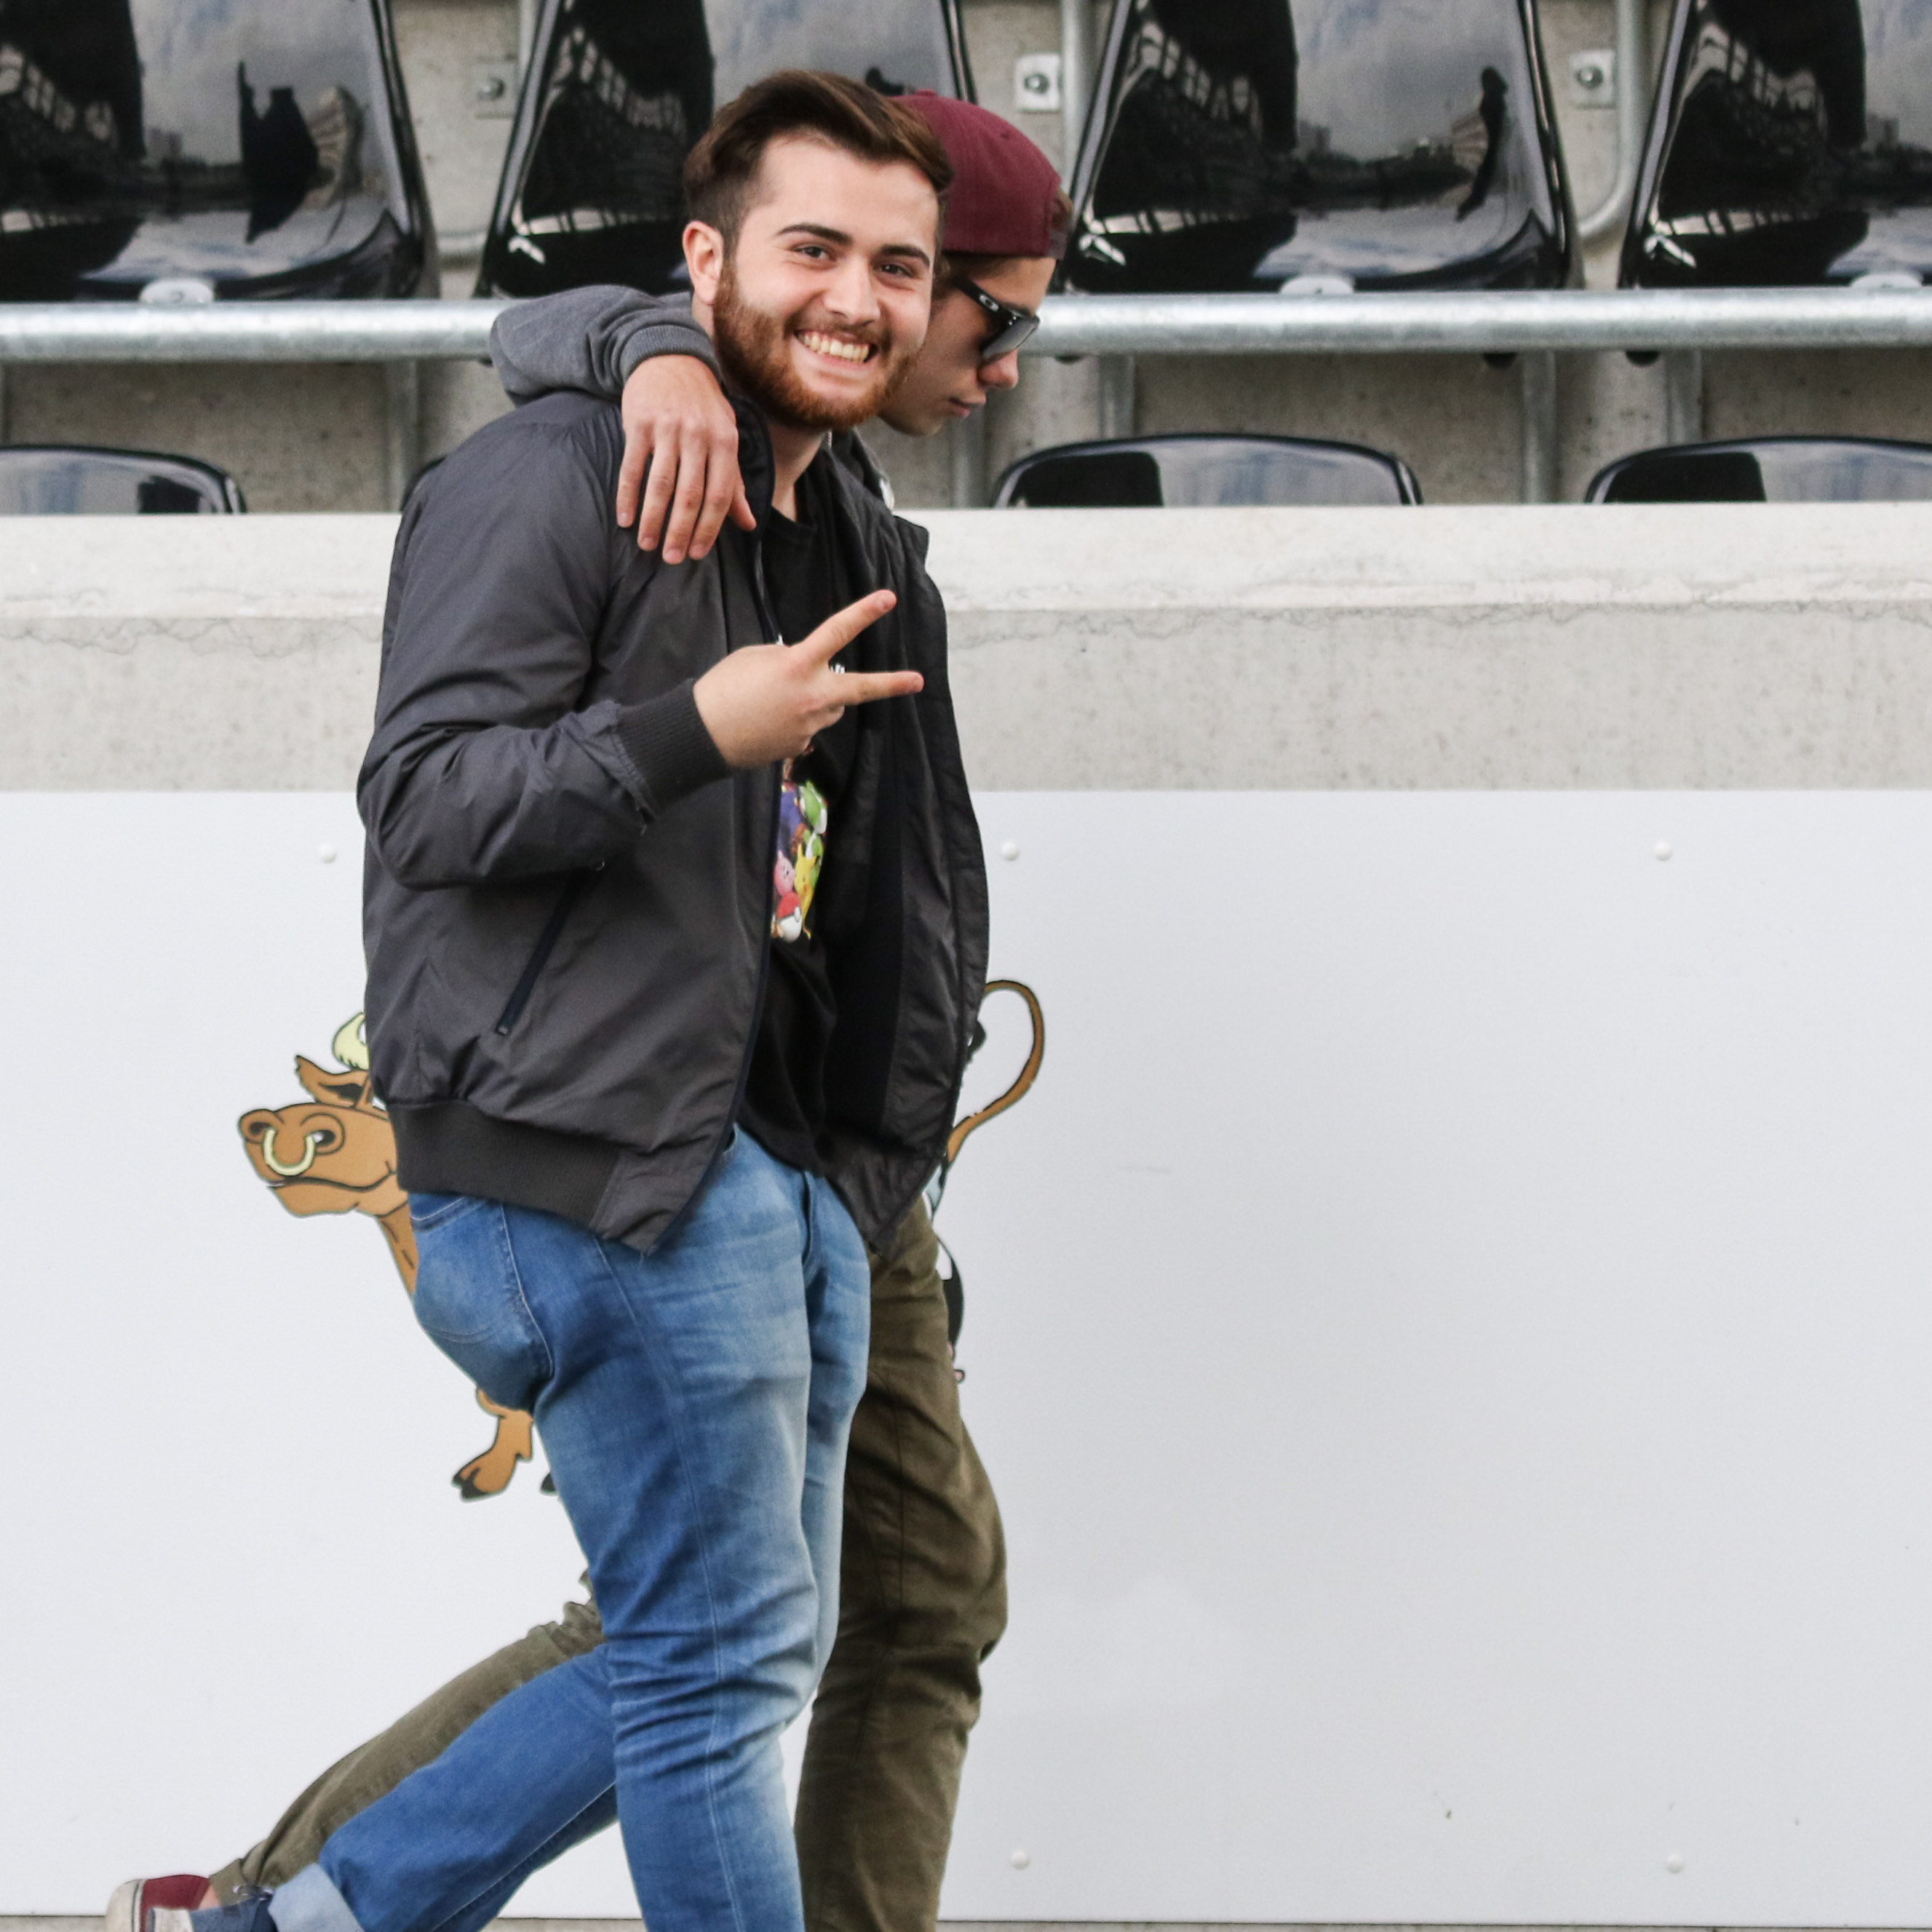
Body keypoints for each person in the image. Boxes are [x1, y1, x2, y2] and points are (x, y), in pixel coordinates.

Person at [111, 88, 1068, 1932]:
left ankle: (266, 1920)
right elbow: (428, 798)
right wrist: (692, 727)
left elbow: (837, 896)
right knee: (713, 1653)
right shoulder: (570, 468)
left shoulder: (848, 524)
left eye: (900, 268)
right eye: (827, 255)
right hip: (625, 1164)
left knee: (724, 1642)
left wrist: (869, 1159)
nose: (893, 311)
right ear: (707, 260)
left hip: (788, 1168)